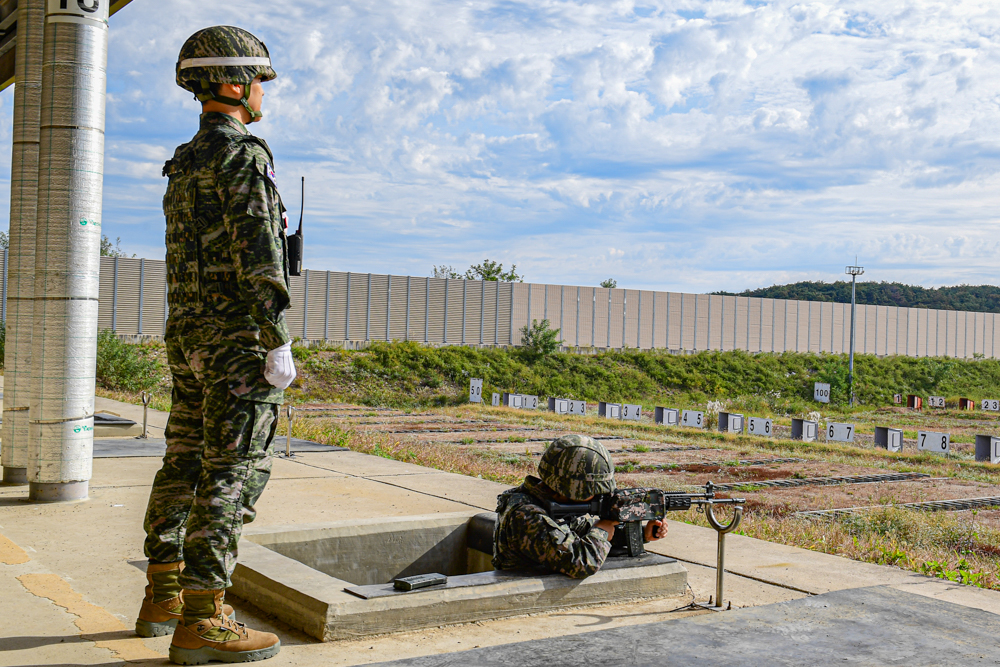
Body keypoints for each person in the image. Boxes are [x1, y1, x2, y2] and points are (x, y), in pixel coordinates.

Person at [135, 25, 296, 665]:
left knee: (182, 459)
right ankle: (206, 617)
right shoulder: (244, 156)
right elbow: (260, 257)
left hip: (189, 335)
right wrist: (275, 337)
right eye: (259, 82)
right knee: (232, 471)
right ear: (235, 84)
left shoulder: (184, 161)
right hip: (236, 342)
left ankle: (164, 592)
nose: (263, 96)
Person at [493, 434, 668, 579]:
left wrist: (643, 533)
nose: (600, 496)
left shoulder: (546, 503)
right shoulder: (527, 515)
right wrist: (602, 530)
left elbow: (583, 532)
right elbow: (581, 563)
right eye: (595, 491)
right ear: (572, 488)